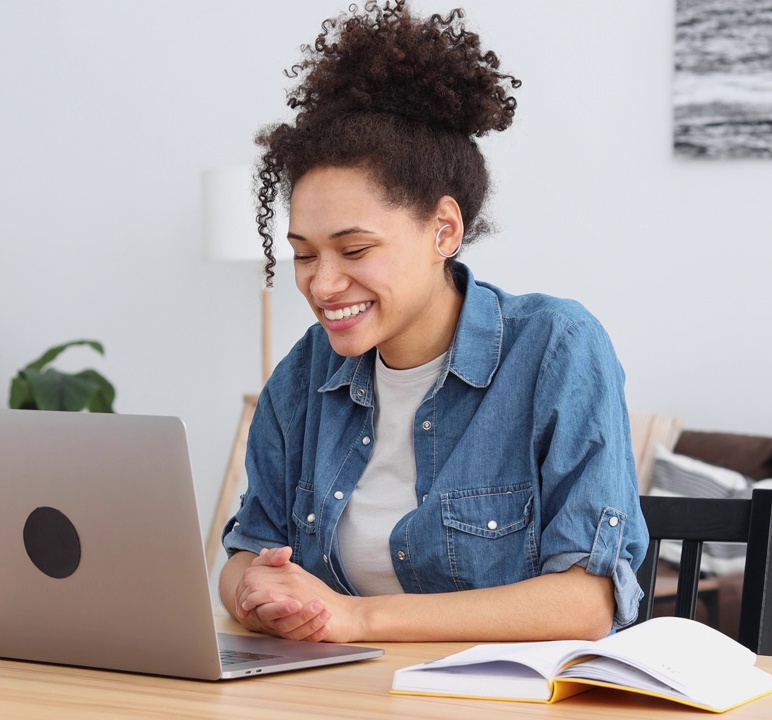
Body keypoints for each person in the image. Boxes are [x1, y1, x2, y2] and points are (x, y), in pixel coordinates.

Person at [219, 0, 647, 644]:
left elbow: (587, 602)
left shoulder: (555, 348)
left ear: (443, 229)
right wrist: (258, 590)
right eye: (304, 254)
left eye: (355, 250)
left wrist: (357, 617)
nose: (322, 283)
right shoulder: (307, 370)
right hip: (331, 694)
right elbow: (247, 552)